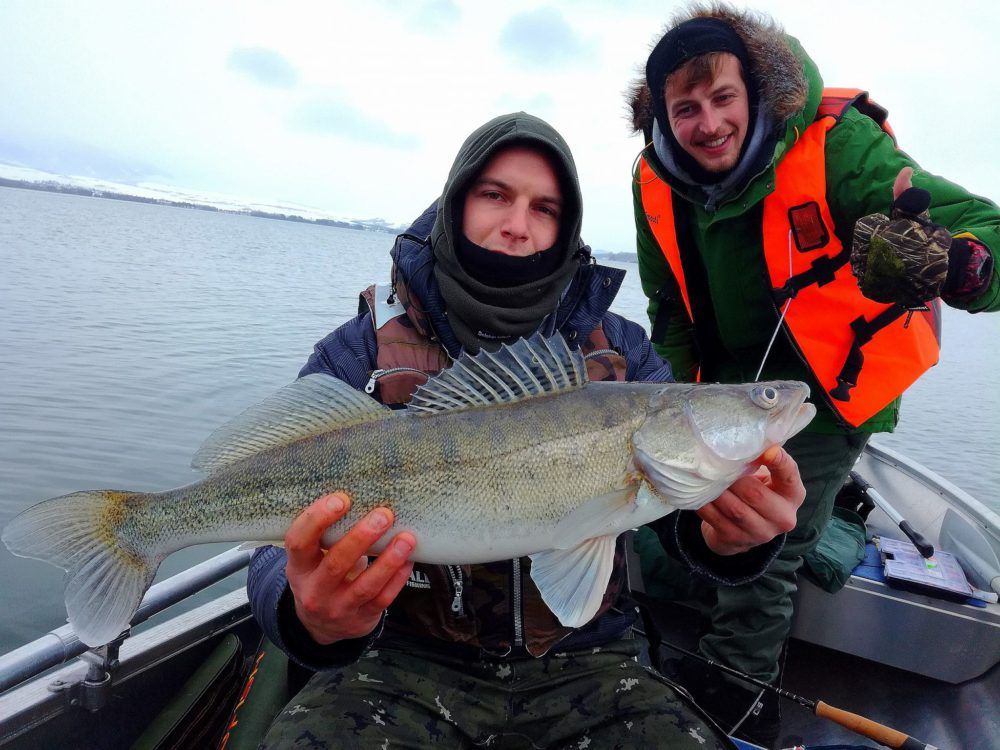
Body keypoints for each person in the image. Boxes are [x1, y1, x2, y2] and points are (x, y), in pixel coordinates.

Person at [247, 111, 807, 748]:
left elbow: (679, 525)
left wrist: (728, 541)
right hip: (396, 663)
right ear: (456, 202)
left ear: (567, 229)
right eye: (494, 195)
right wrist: (307, 615)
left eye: (545, 208)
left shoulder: (625, 358)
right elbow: (271, 544)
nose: (517, 225)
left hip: (593, 664)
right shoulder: (357, 355)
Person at [628, 4, 999, 745]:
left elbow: (984, 229)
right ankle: (816, 534)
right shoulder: (652, 179)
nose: (707, 124)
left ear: (755, 91)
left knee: (765, 530)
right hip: (727, 380)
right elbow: (667, 306)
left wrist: (957, 262)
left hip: (830, 384)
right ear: (663, 118)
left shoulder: (839, 149)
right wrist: (662, 400)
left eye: (722, 98)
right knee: (675, 518)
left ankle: (740, 694)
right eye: (686, 108)